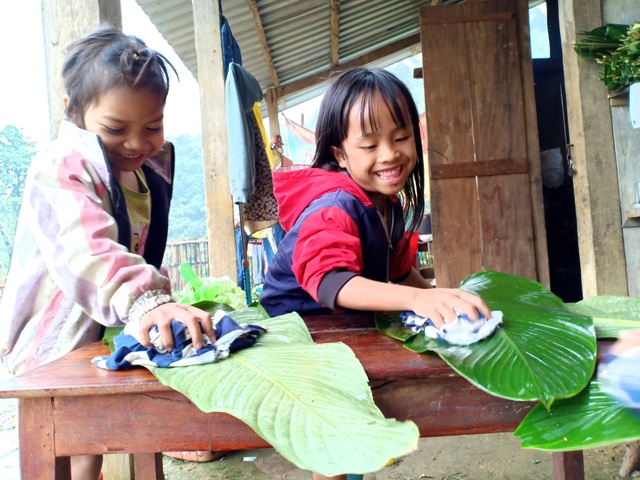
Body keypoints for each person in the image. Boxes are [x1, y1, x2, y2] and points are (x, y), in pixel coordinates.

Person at [0, 24, 217, 479]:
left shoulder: (141, 175)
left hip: (101, 337)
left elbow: (136, 248)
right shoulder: (60, 167)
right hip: (51, 343)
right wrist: (147, 299)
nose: (138, 143)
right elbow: (90, 248)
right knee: (52, 451)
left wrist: (158, 302)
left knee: (90, 441)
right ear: (74, 111)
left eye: (153, 126)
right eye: (116, 129)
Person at [259, 67, 491, 480]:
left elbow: (402, 275)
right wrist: (420, 300)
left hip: (344, 324)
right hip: (303, 330)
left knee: (354, 438)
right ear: (342, 154)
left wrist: (439, 296)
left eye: (400, 138)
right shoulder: (336, 204)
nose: (389, 154)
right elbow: (331, 281)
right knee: (331, 438)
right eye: (369, 144)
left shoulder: (391, 206)